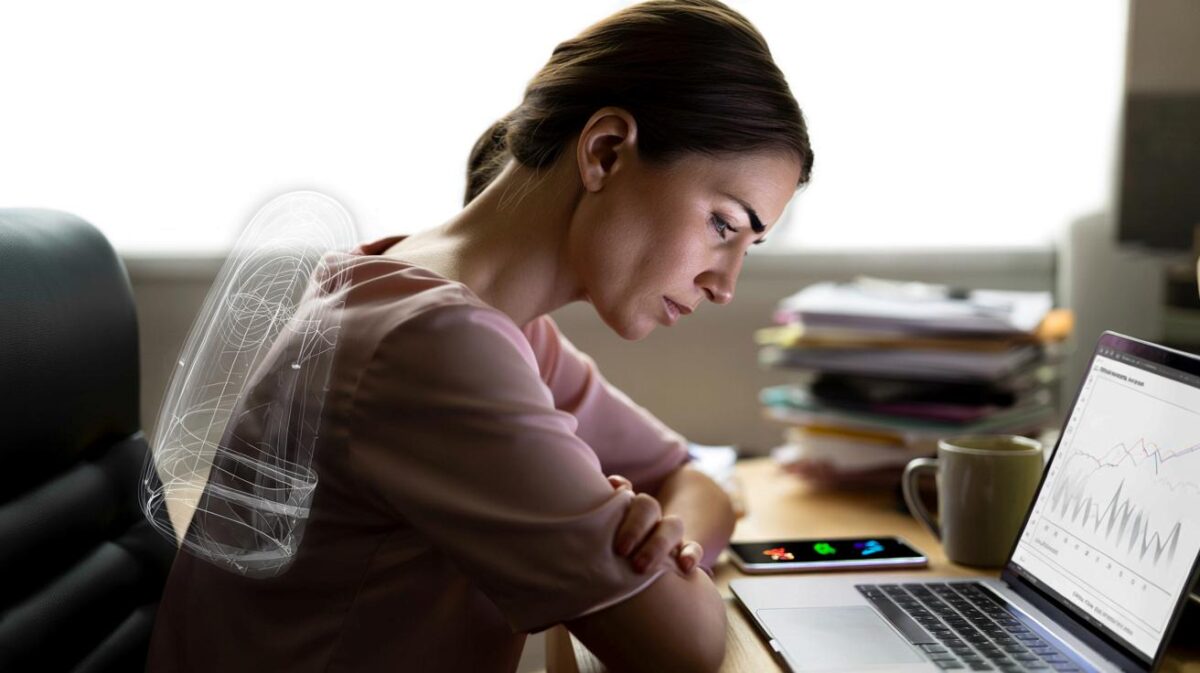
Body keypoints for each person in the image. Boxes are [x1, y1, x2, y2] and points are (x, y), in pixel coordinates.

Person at [147, 0, 814, 671]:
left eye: (747, 249)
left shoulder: (462, 306)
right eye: (724, 225)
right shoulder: (432, 344)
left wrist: (670, 542)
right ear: (606, 151)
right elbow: (684, 650)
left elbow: (692, 475)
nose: (724, 284)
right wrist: (661, 562)